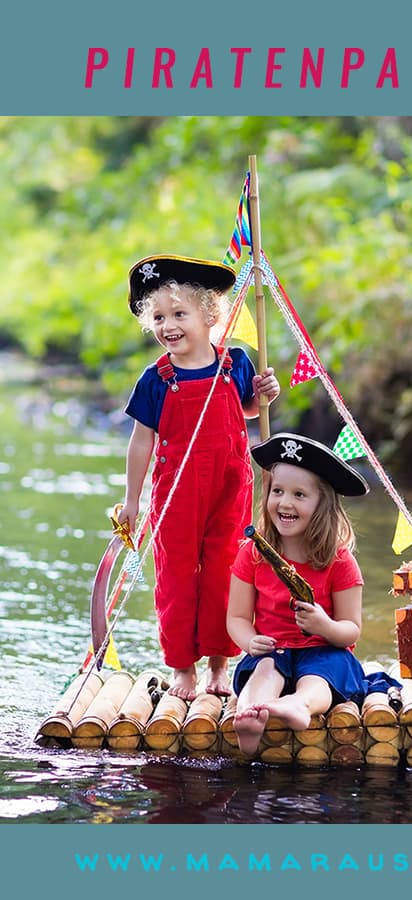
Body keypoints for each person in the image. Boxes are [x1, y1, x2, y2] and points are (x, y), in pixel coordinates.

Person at [118, 254, 280, 701]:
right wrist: (132, 501)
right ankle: (182, 668)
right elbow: (140, 441)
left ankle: (217, 665)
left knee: (225, 572)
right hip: (176, 492)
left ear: (210, 316)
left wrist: (265, 394)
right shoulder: (156, 379)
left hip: (230, 486)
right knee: (176, 577)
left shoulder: (236, 362)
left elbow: (246, 408)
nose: (168, 325)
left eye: (178, 314)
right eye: (158, 317)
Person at [227, 431, 398, 756]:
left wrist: (324, 626)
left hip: (324, 651)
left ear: (323, 504)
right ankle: (249, 713)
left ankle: (299, 705)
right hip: (272, 651)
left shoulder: (339, 561)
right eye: (277, 491)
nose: (285, 502)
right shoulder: (252, 553)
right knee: (264, 667)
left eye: (299, 495)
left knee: (322, 674)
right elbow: (236, 617)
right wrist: (249, 640)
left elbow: (351, 629)